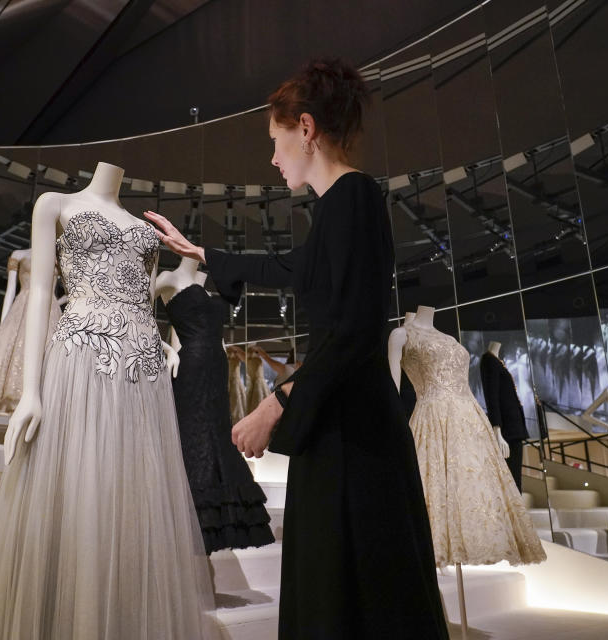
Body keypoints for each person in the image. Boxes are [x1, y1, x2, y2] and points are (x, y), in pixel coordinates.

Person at [145, 58, 448, 640]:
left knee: (358, 599)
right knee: (340, 593)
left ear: (305, 128)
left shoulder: (354, 197)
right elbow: (291, 266)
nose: (273, 156)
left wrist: (275, 403)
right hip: (342, 430)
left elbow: (357, 331)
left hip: (355, 438)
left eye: (275, 139)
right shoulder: (339, 206)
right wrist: (201, 253)